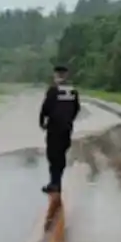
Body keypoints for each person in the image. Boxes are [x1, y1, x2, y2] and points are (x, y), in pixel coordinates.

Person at [39, 65, 80, 193]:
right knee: (61, 155)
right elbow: (76, 108)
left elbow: (45, 108)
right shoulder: (72, 91)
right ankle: (57, 182)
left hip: (54, 128)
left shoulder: (53, 90)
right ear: (66, 75)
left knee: (52, 155)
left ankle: (54, 183)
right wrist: (69, 120)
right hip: (66, 128)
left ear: (56, 75)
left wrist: (42, 122)